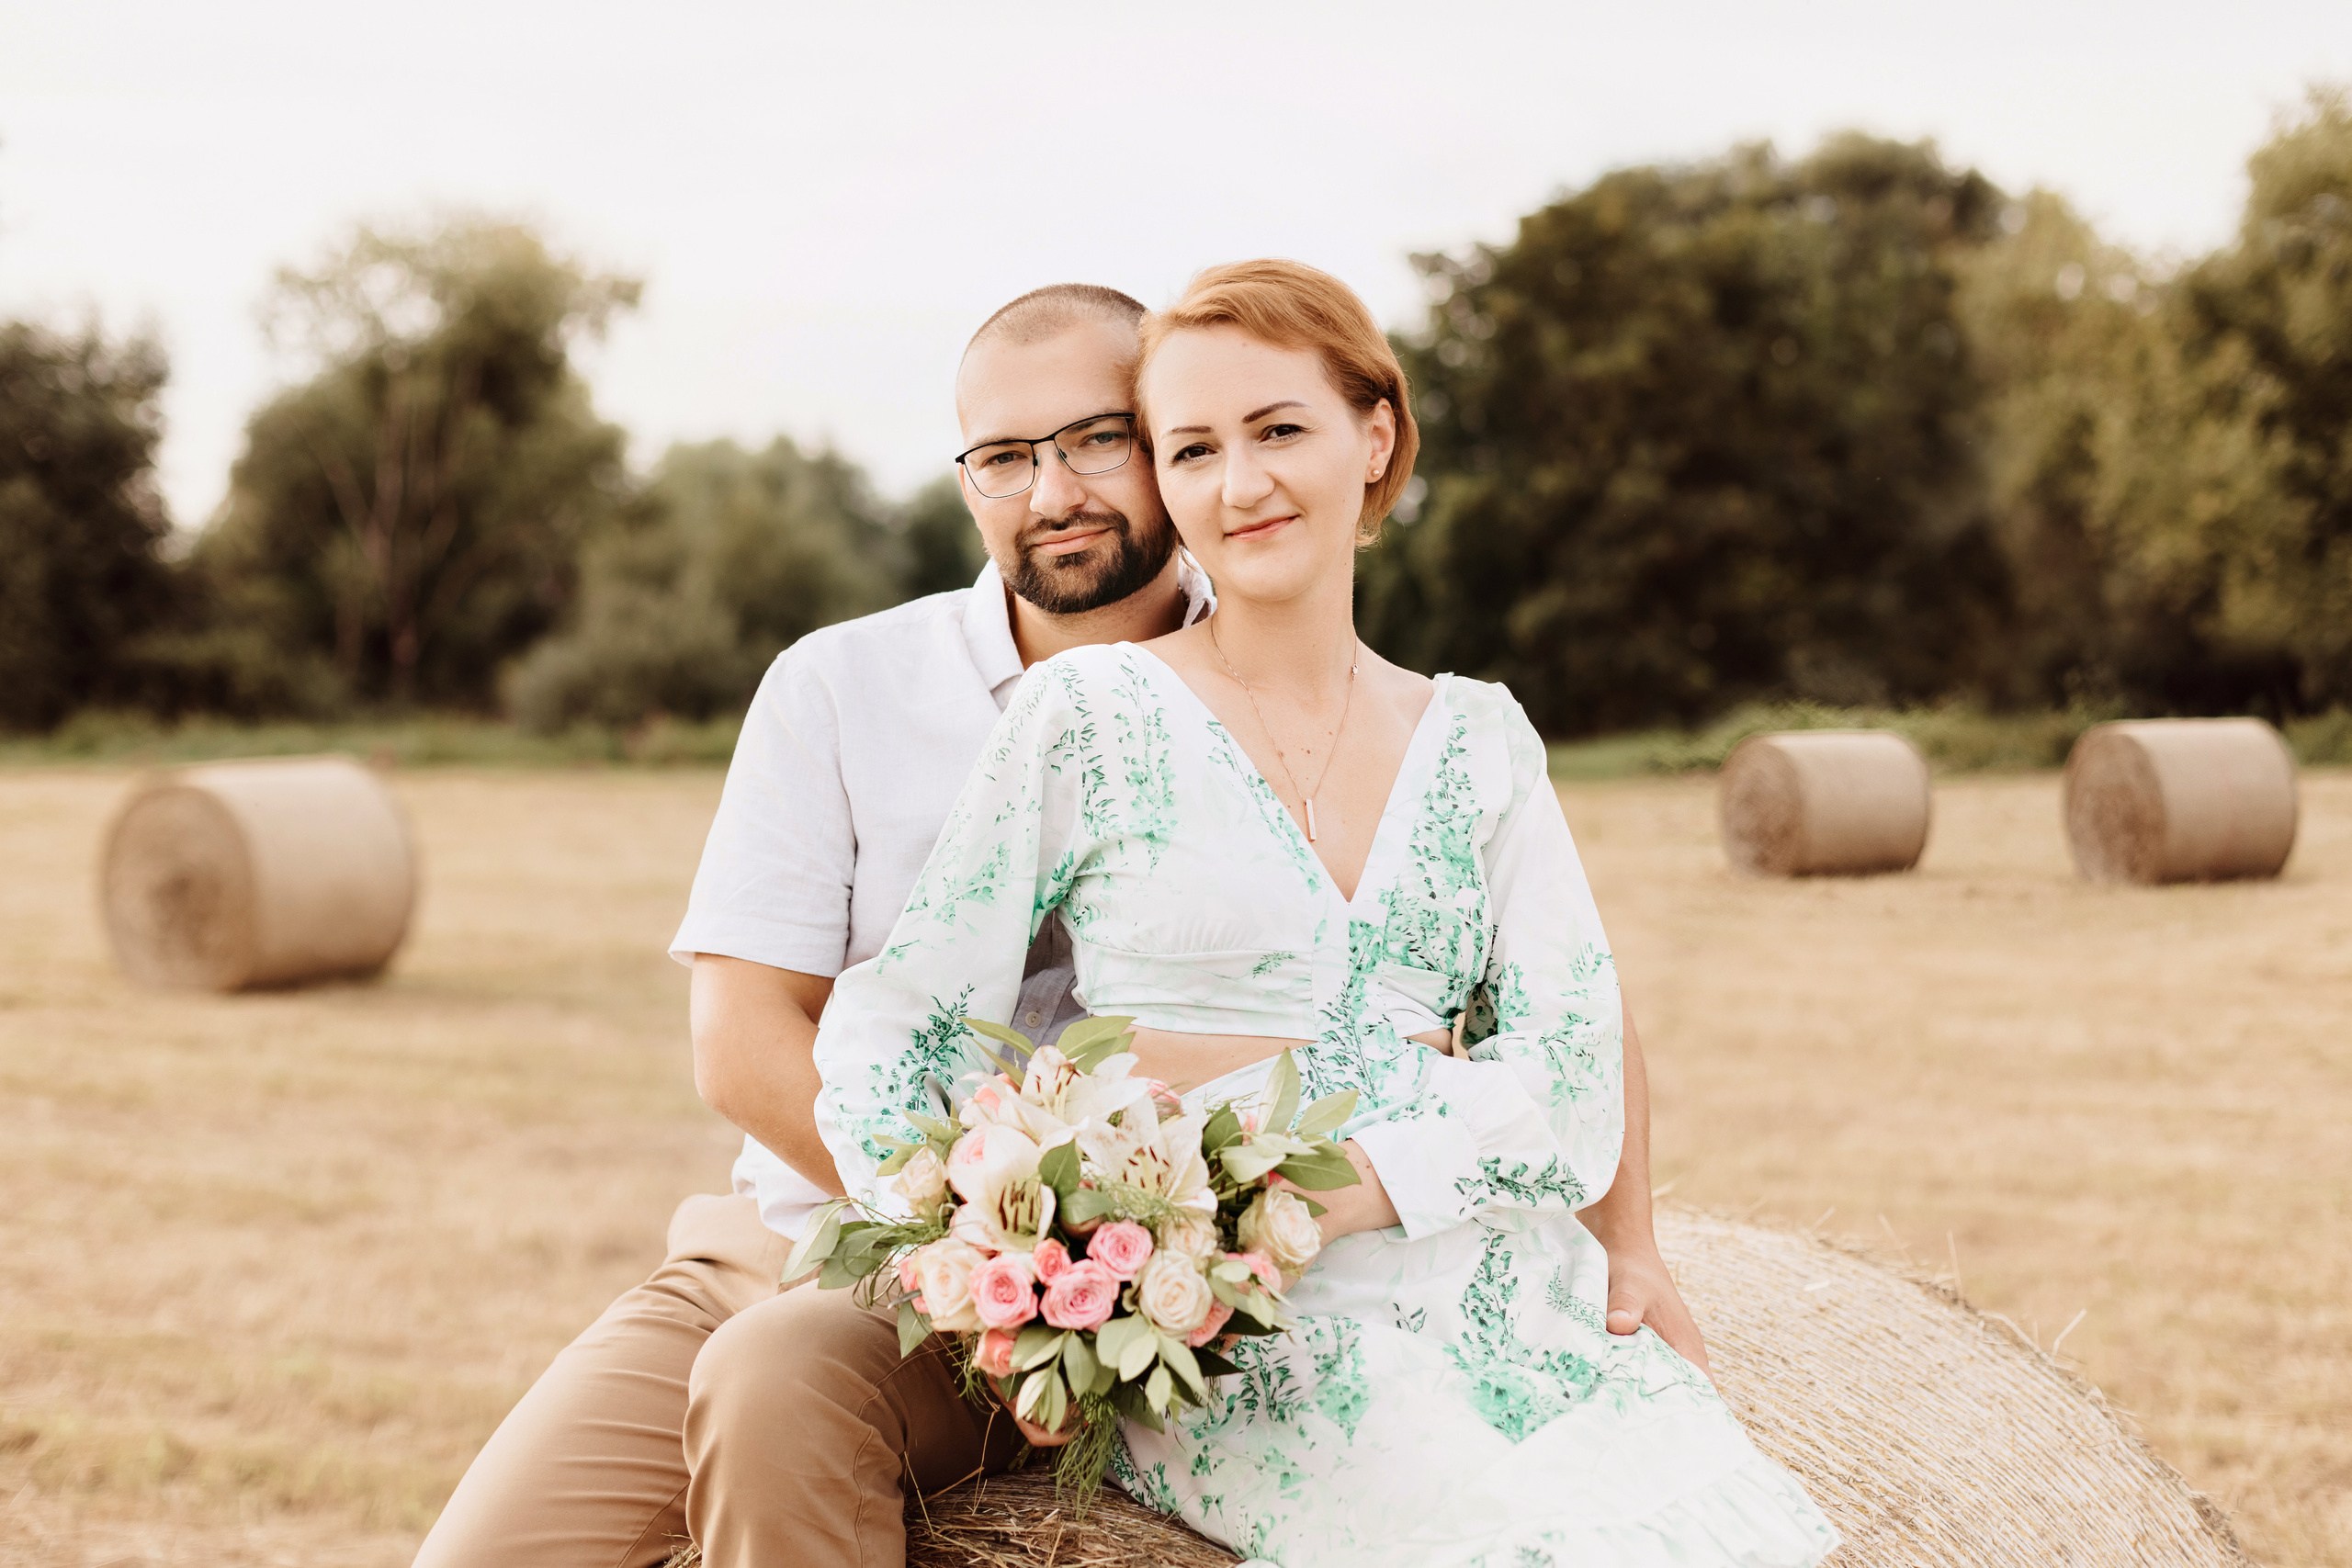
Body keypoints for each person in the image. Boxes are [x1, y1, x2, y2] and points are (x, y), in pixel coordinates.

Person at [414, 280, 1709, 1568]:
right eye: (1003, 457)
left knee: (783, 1386)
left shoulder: (1326, 693)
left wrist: (1628, 1244)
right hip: (819, 1233)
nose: (1054, 492)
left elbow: (1558, 1009)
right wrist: (1006, 1244)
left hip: (1172, 1271)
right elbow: (743, 1040)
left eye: (1100, 441)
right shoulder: (842, 684)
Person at [807, 262, 1839, 1566]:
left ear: (1376, 435)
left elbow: (1573, 1064)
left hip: (1499, 1296)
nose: (1240, 485)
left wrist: (1372, 1183)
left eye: (1279, 430)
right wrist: (1005, 1272)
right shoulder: (1095, 719)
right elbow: (899, 1030)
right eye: (1192, 449)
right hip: (1240, 1335)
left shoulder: (1481, 740)